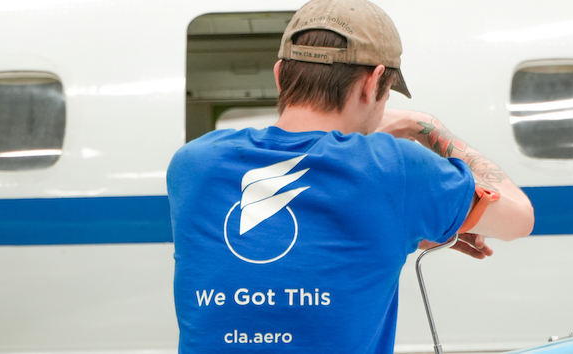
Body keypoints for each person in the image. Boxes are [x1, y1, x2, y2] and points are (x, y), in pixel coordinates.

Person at [166, 0, 534, 352]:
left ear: (280, 76)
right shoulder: (395, 167)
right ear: (373, 84)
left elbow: (298, 242)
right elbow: (519, 217)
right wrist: (426, 126)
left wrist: (395, 231)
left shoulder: (193, 164)